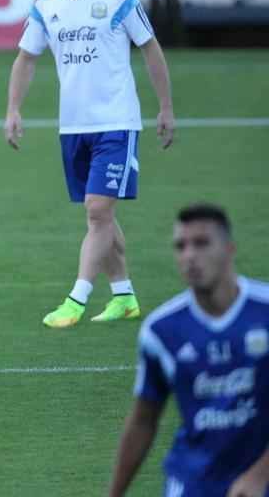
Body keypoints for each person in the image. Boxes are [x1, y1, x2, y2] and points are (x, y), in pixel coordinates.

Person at [5, 0, 176, 329]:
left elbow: (151, 50)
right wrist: (13, 109)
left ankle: (76, 298)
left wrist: (166, 107)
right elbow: (26, 58)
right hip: (73, 126)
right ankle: (124, 296)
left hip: (117, 121)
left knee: (98, 210)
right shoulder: (47, 5)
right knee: (99, 216)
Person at [107, 203, 269, 497]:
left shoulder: (264, 312)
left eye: (202, 243)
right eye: (181, 246)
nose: (190, 255)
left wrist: (260, 475)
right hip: (193, 481)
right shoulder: (162, 330)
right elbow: (144, 420)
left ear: (229, 249)